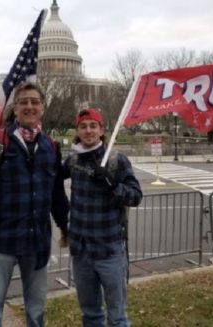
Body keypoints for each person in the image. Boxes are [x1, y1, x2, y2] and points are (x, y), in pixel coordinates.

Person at [0, 82, 69, 327]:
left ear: (42, 107)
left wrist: (65, 224)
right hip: (1, 241)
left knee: (36, 309)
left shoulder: (50, 147)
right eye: (23, 102)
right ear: (16, 108)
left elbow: (56, 193)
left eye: (35, 101)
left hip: (37, 241)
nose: (29, 106)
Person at [61, 108, 143, 327]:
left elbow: (135, 196)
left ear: (102, 130)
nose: (88, 131)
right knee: (90, 314)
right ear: (77, 131)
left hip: (109, 251)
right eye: (83, 126)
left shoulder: (117, 160)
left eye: (93, 126)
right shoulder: (73, 160)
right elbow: (50, 177)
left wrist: (111, 184)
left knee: (117, 316)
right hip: (81, 251)